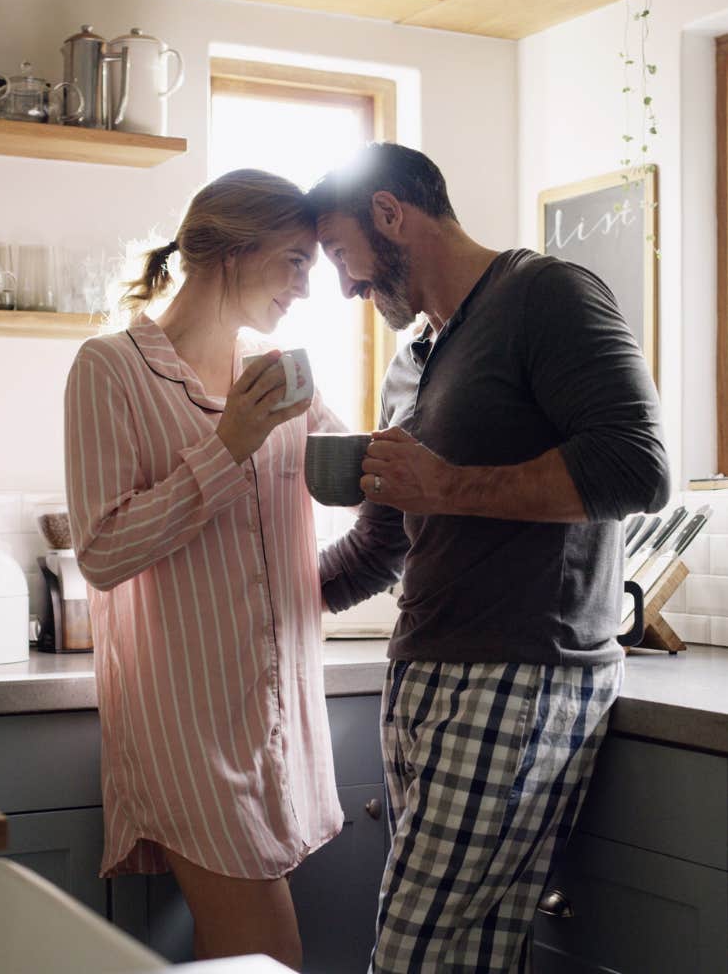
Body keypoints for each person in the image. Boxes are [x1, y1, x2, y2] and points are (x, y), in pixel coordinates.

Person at [307, 143, 670, 973]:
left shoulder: (546, 295)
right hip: (426, 676)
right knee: (464, 955)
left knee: (413, 956)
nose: (346, 286)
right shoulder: (413, 362)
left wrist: (449, 486)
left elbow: (637, 467)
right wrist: (266, 599)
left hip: (521, 675)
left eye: (340, 256)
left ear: (391, 213)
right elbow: (386, 538)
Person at [63, 169, 345, 970]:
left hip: (281, 720)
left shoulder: (279, 368)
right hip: (188, 726)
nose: (303, 287)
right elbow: (104, 551)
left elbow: (351, 475)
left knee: (248, 960)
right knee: (271, 958)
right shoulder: (109, 370)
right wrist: (229, 448)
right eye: (293, 261)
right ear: (232, 250)